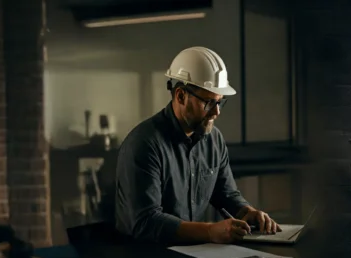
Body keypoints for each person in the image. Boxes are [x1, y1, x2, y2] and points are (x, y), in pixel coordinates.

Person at [114, 46, 280, 244]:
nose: (216, 112)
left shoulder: (214, 140)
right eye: (209, 103)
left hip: (189, 254)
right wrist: (210, 232)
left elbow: (225, 193)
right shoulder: (144, 144)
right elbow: (144, 222)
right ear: (181, 96)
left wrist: (247, 211)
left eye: (220, 102)